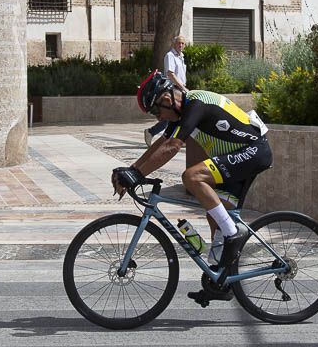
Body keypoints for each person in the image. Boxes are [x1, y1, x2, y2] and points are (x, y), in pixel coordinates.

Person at [113, 71, 271, 304]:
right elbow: (160, 143)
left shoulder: (196, 104)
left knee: (192, 176)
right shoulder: (182, 109)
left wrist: (136, 175)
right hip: (237, 155)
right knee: (216, 216)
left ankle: (234, 234)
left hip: (252, 152)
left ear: (166, 99)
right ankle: (222, 280)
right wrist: (132, 168)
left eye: (157, 112)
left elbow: (172, 148)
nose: (158, 119)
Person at [145, 35, 187, 146]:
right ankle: (152, 132)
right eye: (179, 43)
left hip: (180, 88)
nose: (181, 45)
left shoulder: (181, 56)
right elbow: (170, 73)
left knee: (176, 115)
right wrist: (182, 88)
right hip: (172, 90)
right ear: (174, 44)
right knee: (172, 115)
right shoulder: (170, 56)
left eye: (183, 43)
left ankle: (179, 137)